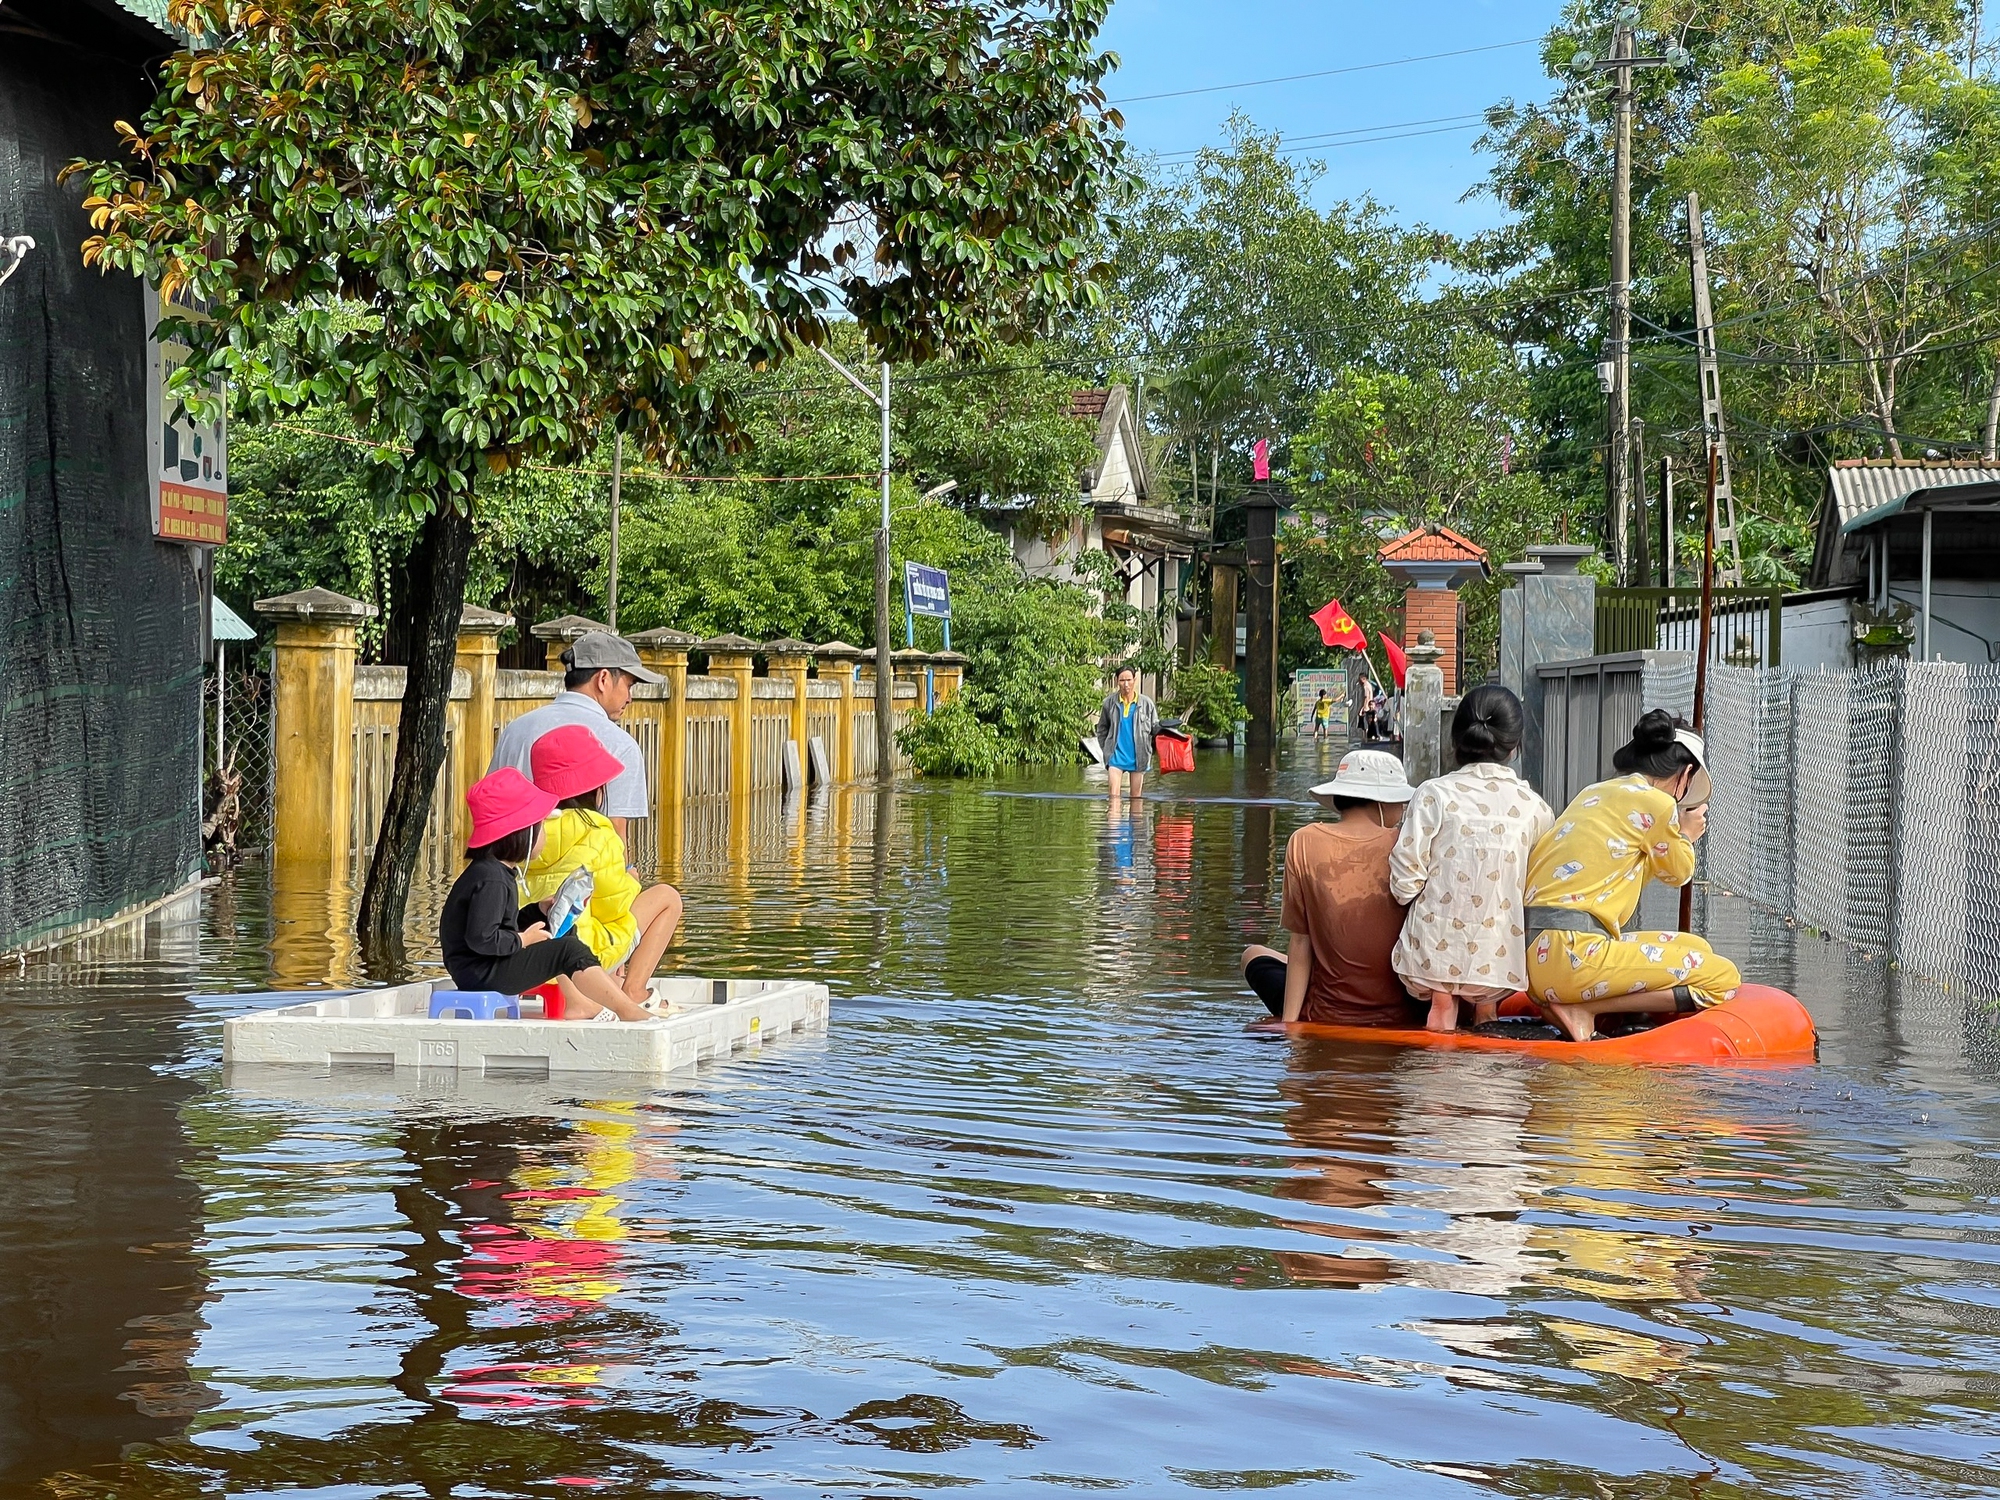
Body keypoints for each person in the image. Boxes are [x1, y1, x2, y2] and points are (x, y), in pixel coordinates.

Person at [1522, 709, 1741, 1042]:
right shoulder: (1658, 804)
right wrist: (1685, 834)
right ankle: (1584, 1009)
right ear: (1685, 774)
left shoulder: (1594, 793)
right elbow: (1678, 873)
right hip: (1576, 955)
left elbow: (1627, 871)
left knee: (1694, 945)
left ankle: (1575, 1001)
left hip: (1538, 952)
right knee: (1722, 977)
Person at [1389, 685, 1554, 1032]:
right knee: (1488, 1013)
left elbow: (1405, 879)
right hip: (1497, 958)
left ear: (1456, 738)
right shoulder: (1535, 809)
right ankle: (1486, 1016)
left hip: (1429, 952)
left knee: (1441, 1002)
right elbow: (1537, 888)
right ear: (1515, 746)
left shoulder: (1432, 794)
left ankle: (1441, 1012)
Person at [438, 769, 651, 1021]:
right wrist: (523, 940)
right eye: (540, 828)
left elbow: (500, 924)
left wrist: (537, 911)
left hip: (483, 966)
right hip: (481, 973)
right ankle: (624, 1009)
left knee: (560, 930)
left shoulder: (495, 871)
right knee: (566, 950)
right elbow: (481, 939)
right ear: (522, 834)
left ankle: (588, 1001)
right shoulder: (491, 879)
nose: (545, 836)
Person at [1241, 749, 1423, 1026]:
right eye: (1400, 802)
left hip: (1326, 1011)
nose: (1402, 810)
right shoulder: (1408, 845)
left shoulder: (1303, 842)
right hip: (1406, 1011)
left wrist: (1291, 1024)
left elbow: (1301, 941)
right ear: (1382, 803)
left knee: (1252, 954)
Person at [522, 725, 684, 1006]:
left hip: (527, 949)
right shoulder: (599, 832)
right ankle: (634, 989)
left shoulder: (526, 830)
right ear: (596, 789)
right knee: (668, 898)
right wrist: (631, 879)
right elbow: (615, 907)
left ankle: (602, 984)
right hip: (578, 953)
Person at [490, 632, 660, 843]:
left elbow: (492, 813)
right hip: (585, 873)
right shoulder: (619, 744)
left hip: (512, 871)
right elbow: (616, 837)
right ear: (604, 679)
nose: (630, 698)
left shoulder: (514, 730)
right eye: (629, 685)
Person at [1094, 665, 1158, 802]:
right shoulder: (1109, 703)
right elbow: (1102, 729)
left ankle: (1134, 823)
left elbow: (1155, 729)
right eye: (1122, 680)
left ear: (1135, 680)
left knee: (1136, 799)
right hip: (1116, 757)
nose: (1126, 684)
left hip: (1138, 757)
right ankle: (1114, 822)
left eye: (1129, 679)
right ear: (1117, 681)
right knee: (1113, 797)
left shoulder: (1147, 704)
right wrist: (1106, 749)